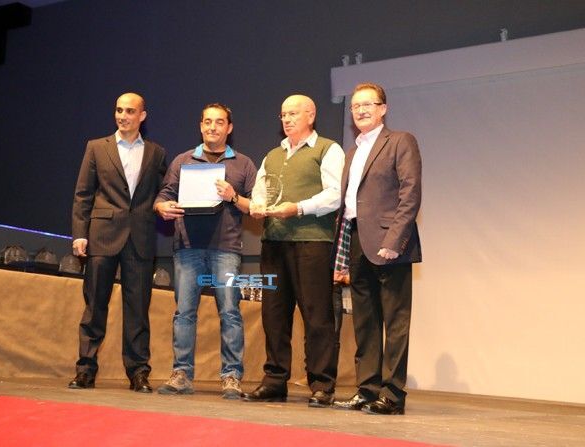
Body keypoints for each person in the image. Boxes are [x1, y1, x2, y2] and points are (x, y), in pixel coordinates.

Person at [242, 94, 344, 407]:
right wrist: (258, 206)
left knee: (317, 315)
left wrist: (298, 208)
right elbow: (260, 192)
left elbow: (336, 195)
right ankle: (275, 380)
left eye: (293, 114)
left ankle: (322, 383)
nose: (286, 120)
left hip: (313, 242)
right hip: (273, 242)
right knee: (273, 314)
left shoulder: (328, 149)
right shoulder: (272, 155)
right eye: (283, 115)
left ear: (310, 116)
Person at [153, 103, 257, 399]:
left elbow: (256, 206)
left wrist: (233, 196)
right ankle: (182, 374)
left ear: (229, 128)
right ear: (201, 126)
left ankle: (231, 376)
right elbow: (163, 197)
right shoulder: (183, 160)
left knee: (230, 312)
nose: (213, 127)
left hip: (226, 249)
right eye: (208, 122)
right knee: (184, 313)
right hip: (187, 248)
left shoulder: (243, 164)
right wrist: (162, 207)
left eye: (219, 122)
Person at [332, 83, 422, 415]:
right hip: (356, 239)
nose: (361, 110)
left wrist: (394, 241)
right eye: (355, 106)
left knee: (395, 321)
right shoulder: (352, 152)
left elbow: (410, 193)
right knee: (365, 321)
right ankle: (367, 389)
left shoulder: (400, 141)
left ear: (383, 109)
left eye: (368, 104)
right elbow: (350, 204)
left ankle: (393, 395)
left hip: (389, 243)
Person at [68, 92, 167, 393]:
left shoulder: (156, 153)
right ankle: (85, 370)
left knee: (138, 310)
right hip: (102, 236)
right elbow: (83, 194)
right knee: (94, 306)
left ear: (142, 116)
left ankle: (138, 372)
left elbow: (163, 193)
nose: (123, 116)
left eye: (130, 111)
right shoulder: (97, 147)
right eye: (119, 110)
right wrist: (80, 233)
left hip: (140, 238)